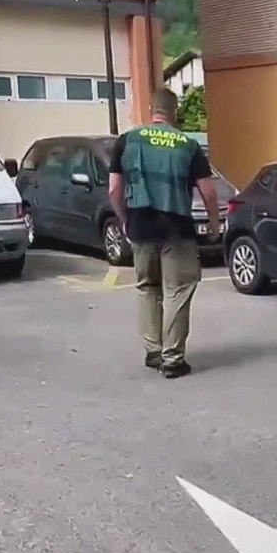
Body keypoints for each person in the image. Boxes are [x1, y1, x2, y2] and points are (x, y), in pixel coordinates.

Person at [108, 88, 219, 379]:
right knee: (178, 290)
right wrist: (214, 224)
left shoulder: (128, 140)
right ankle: (172, 359)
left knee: (147, 287)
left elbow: (114, 189)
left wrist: (125, 220)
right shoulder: (187, 145)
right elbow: (208, 191)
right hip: (176, 228)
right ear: (175, 111)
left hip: (141, 225)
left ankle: (153, 350)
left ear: (151, 109)